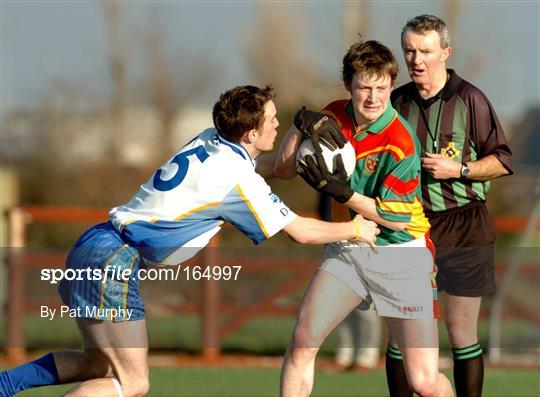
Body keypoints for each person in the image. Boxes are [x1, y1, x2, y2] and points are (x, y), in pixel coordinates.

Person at [0, 85, 379, 397]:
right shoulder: (237, 180)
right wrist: (356, 229)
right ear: (251, 133)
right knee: (133, 383)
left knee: (97, 365)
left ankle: (5, 384)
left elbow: (271, 169)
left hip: (93, 245)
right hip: (112, 262)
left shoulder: (213, 140)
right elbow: (300, 231)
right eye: (272, 119)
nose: (276, 123)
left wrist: (298, 140)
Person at [275, 40, 454, 397]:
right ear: (348, 86)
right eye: (364, 88)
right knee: (302, 340)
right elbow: (282, 170)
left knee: (423, 381)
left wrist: (344, 194)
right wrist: (297, 127)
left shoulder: (401, 141)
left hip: (402, 255)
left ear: (391, 85)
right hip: (350, 248)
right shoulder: (333, 116)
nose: (372, 98)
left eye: (381, 88)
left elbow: (398, 220)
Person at [390, 15, 512, 397]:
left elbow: (503, 161)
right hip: (410, 228)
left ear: (445, 52)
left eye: (425, 50)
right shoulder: (396, 102)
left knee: (462, 334)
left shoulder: (470, 99)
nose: (416, 59)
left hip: (464, 226)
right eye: (409, 50)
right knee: (401, 339)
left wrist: (460, 168)